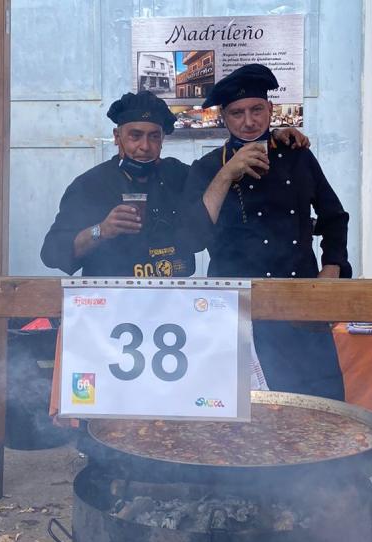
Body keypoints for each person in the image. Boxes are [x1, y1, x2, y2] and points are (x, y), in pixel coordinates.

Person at [182, 64, 351, 400]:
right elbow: (192, 239)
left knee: (318, 408)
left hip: (299, 305)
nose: (248, 121)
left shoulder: (297, 156)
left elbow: (334, 217)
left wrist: (331, 271)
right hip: (235, 311)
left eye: (257, 109)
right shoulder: (207, 168)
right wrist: (226, 174)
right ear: (223, 119)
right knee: (239, 411)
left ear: (271, 110)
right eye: (237, 113)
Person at [40, 90, 310, 278]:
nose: (144, 146)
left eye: (154, 137)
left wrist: (273, 138)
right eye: (135, 136)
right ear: (116, 136)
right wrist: (101, 230)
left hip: (176, 303)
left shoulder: (180, 176)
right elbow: (52, 253)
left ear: (162, 140)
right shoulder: (90, 185)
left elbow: (226, 170)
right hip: (112, 306)